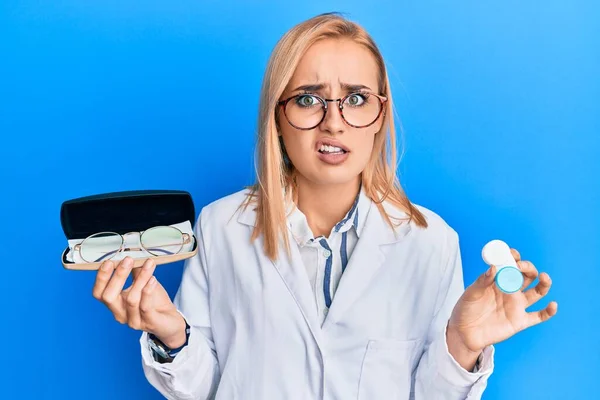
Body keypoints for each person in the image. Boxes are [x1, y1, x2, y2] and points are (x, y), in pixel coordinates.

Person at [92, 12, 557, 400]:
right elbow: (207, 387)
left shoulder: (431, 242)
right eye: (309, 100)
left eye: (355, 99)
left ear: (380, 115)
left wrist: (461, 345)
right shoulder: (221, 228)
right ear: (277, 116)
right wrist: (173, 335)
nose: (334, 123)